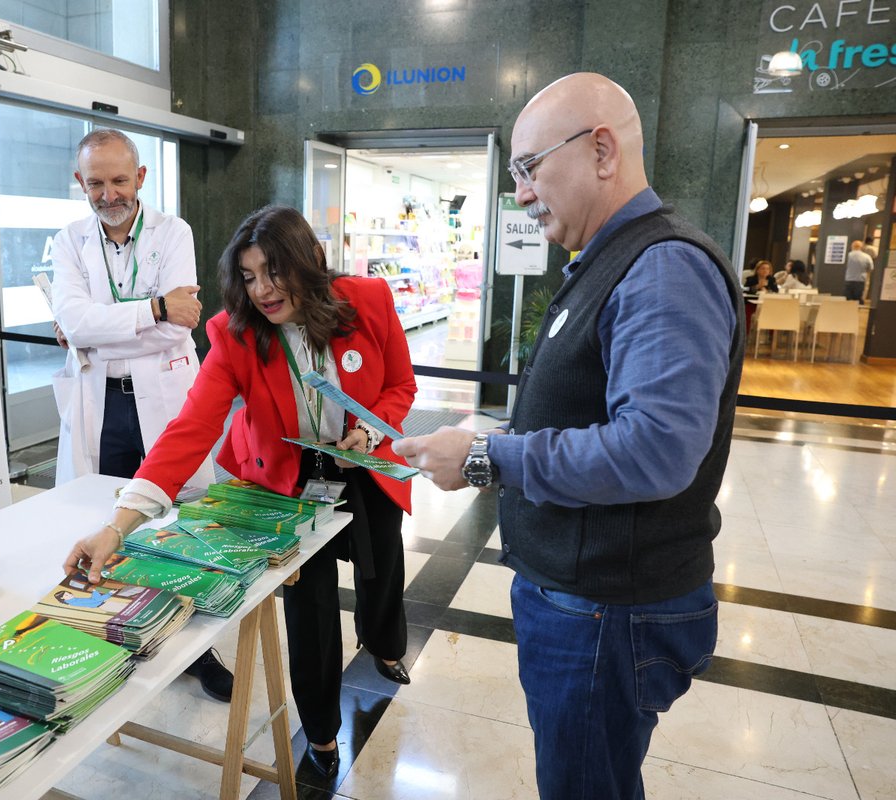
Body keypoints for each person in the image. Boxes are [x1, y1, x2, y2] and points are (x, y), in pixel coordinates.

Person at [393, 73, 743, 800]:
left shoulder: (663, 268)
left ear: (603, 151)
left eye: (528, 167)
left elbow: (654, 449)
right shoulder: (613, 259)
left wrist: (490, 456)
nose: (520, 192)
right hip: (589, 600)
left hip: (609, 609)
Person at [61, 205, 417, 780]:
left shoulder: (368, 301)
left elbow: (401, 384)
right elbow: (190, 430)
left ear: (309, 263)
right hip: (289, 477)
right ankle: (322, 732)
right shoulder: (236, 334)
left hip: (363, 459)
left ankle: (386, 644)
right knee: (311, 607)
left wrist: (371, 427)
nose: (263, 291)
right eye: (249, 277)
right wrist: (117, 525)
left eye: (274, 272)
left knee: (383, 570)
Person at [49, 127, 229, 702]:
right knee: (108, 519)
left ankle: (198, 650)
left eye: (119, 180)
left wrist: (99, 331)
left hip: (166, 401)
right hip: (102, 405)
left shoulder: (174, 232)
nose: (109, 193)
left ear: (140, 179)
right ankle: (119, 637)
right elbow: (78, 321)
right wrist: (150, 308)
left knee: (178, 526)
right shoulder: (69, 241)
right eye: (96, 182)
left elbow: (180, 325)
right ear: (81, 183)